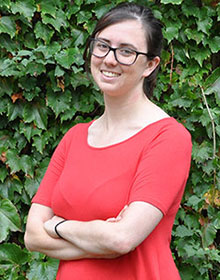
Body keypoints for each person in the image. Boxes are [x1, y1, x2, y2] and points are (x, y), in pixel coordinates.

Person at [24, 2, 192, 280]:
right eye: (102, 45)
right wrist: (101, 238)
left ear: (150, 65)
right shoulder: (75, 137)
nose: (110, 59)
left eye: (126, 51)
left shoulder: (168, 138)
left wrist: (58, 226)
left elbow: (121, 240)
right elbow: (32, 236)